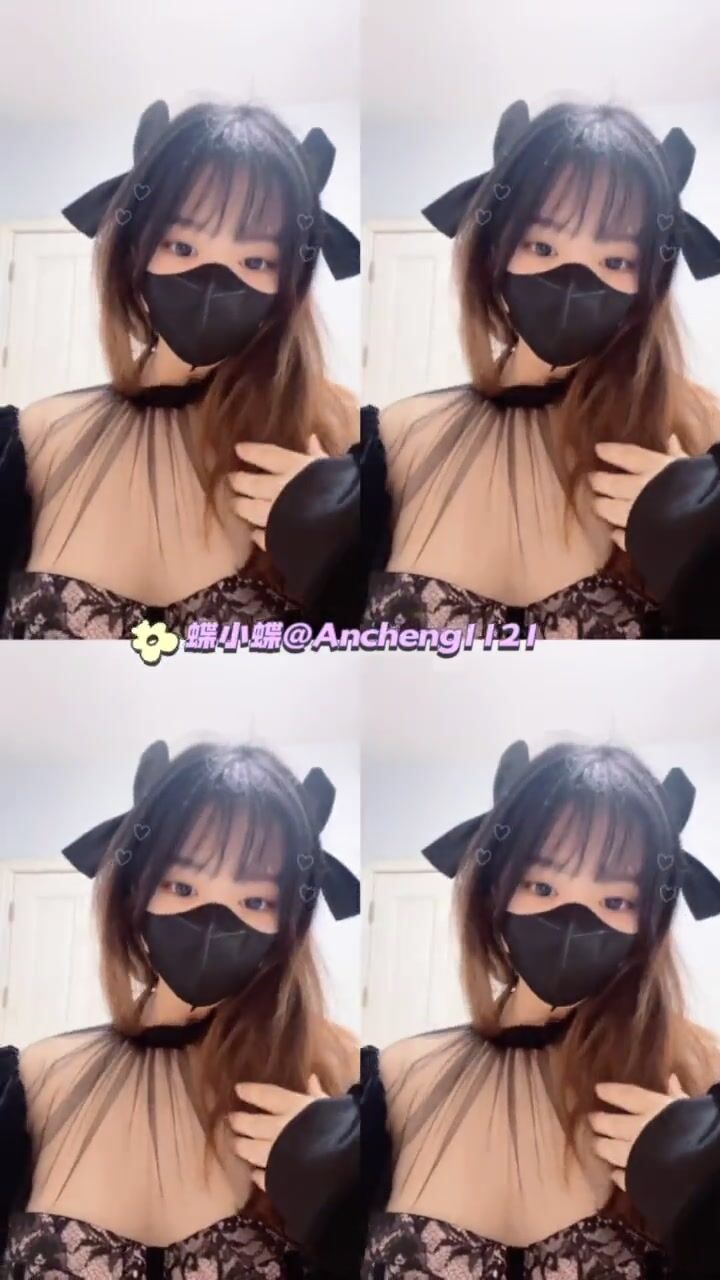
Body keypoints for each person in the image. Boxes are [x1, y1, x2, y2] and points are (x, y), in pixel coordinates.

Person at [239, 741, 720, 1278]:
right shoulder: (394, 1076)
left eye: (616, 900)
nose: (572, 919)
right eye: (542, 886)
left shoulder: (703, 1075)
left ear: (650, 919)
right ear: (494, 896)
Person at [279, 97, 720, 638]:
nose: (573, 279)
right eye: (542, 245)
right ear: (494, 256)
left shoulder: (701, 433)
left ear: (649, 280)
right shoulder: (393, 435)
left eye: (615, 260)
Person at [0, 98, 360, 639]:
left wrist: (347, 562)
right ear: (134, 253)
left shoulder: (344, 432)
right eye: (182, 245)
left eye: (255, 260)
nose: (212, 280)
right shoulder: (34, 437)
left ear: (290, 280)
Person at [0, 739, 360, 1277]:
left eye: (254, 900)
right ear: (134, 894)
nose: (212, 921)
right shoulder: (36, 1077)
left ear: (289, 921)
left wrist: (344, 1208)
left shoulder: (342, 1073)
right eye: (181, 885)